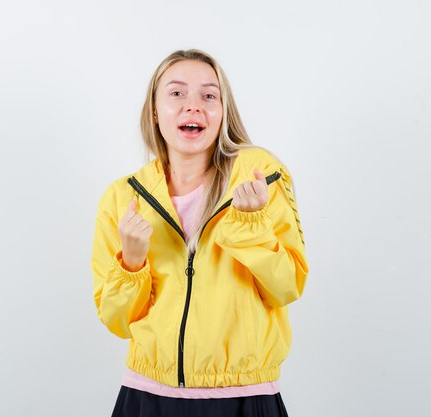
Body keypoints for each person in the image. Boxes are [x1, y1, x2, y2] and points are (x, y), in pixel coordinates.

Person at [91, 49, 309, 417]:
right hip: (147, 397)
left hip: (245, 397)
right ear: (155, 110)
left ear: (223, 111)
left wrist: (251, 228)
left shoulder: (262, 177)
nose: (194, 106)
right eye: (177, 93)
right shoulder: (122, 197)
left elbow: (287, 286)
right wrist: (131, 261)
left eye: (209, 95)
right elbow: (116, 320)